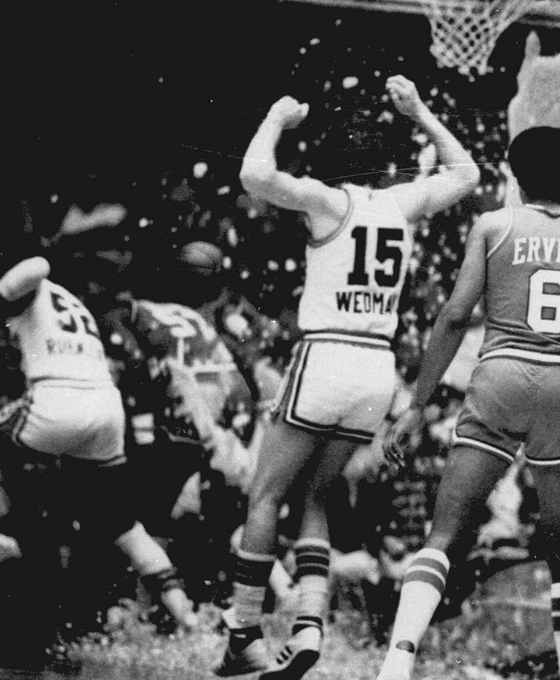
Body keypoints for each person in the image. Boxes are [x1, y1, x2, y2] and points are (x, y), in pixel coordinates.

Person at [375, 126, 560, 680]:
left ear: (512, 173)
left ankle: (396, 661)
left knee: (444, 535)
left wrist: (416, 405)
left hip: (500, 376)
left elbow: (454, 316)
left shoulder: (492, 226)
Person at [215, 74, 480, 678]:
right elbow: (466, 173)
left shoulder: (327, 201)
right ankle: (309, 627)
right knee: (317, 494)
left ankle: (241, 632)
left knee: (265, 496)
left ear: (332, 165)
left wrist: (278, 118)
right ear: (384, 167)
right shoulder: (401, 202)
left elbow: (255, 175)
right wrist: (419, 112)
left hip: (325, 356)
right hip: (377, 370)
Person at [0, 255, 197, 632]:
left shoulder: (29, 286)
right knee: (123, 526)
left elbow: (37, 265)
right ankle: (190, 619)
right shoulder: (72, 305)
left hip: (59, 399)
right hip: (105, 411)